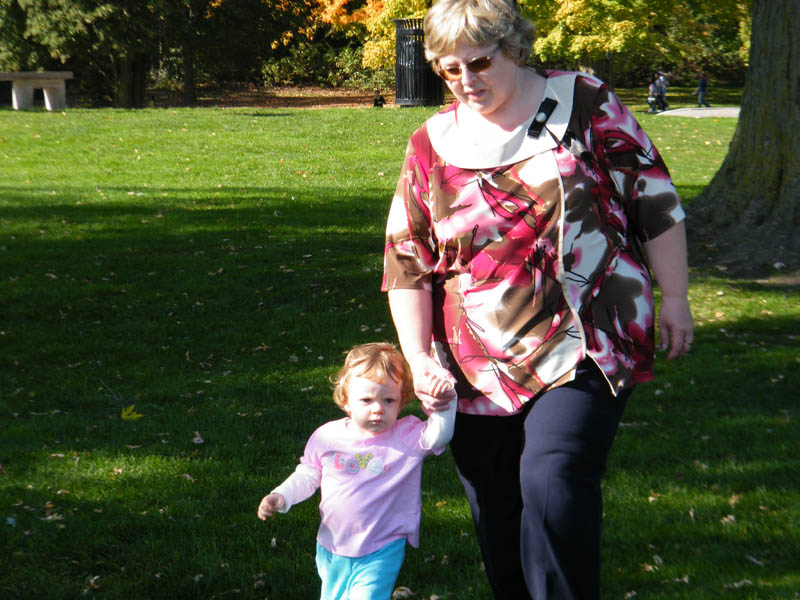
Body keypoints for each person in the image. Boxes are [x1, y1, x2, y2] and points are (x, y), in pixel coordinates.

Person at [381, 1, 694, 598]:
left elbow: (653, 197)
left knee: (554, 482)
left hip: (586, 337)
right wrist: (419, 358)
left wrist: (674, 294)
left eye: (480, 62)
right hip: (474, 361)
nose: (466, 81)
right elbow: (406, 260)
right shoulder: (431, 144)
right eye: (450, 69)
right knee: (498, 518)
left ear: (514, 47)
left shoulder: (584, 102)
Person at [257, 342, 456, 600]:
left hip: (383, 545)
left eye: (388, 400)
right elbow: (308, 474)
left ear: (401, 402)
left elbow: (439, 435)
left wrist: (445, 401)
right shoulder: (328, 437)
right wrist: (281, 495)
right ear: (346, 401)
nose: (378, 408)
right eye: (366, 400)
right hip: (333, 545)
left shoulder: (406, 437)